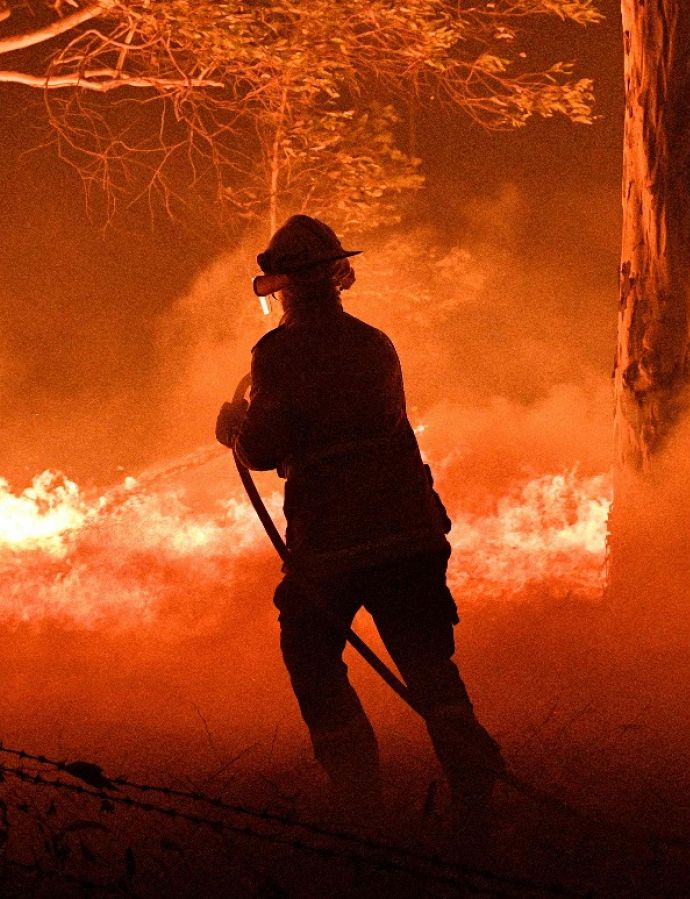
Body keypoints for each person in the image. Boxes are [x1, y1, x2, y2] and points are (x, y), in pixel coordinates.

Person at [215, 214, 504, 829]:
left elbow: (264, 450)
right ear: (337, 278)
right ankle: (474, 788)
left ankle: (357, 797)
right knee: (427, 662)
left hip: (333, 545)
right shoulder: (374, 343)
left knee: (310, 651)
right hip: (408, 534)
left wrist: (233, 430)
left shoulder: (280, 355)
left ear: (284, 286)